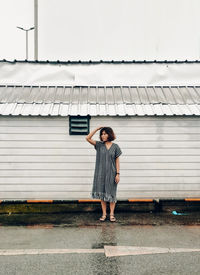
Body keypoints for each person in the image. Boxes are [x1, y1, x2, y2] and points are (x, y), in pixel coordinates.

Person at [85, 126, 122, 222]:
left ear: (110, 134)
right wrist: (97, 129)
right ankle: (104, 214)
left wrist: (118, 174)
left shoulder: (115, 147)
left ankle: (112, 214)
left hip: (112, 174)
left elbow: (117, 161)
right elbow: (87, 138)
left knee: (111, 194)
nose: (103, 135)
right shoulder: (99, 145)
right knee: (102, 195)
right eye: (102, 134)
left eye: (105, 133)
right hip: (100, 174)